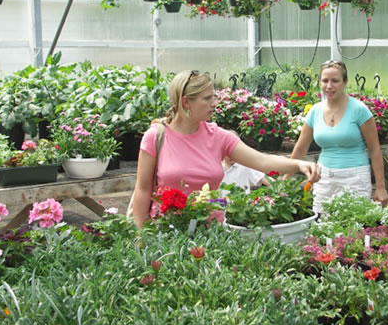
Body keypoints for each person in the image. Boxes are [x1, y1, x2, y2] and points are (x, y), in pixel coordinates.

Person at [132, 70, 320, 228]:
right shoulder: (156, 137)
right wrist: (140, 235)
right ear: (186, 102)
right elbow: (142, 189)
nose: (214, 103)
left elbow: (262, 161)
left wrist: (299, 165)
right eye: (207, 98)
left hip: (211, 233)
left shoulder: (218, 136)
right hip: (167, 232)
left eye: (214, 96)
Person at [288, 60, 388, 213]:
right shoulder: (315, 111)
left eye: (335, 81)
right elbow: (300, 149)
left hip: (355, 178)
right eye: (325, 81)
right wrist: (285, 180)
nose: (329, 86)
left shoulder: (359, 110)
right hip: (323, 178)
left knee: (353, 229)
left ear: (345, 82)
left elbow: (375, 150)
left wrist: (380, 187)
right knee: (322, 225)